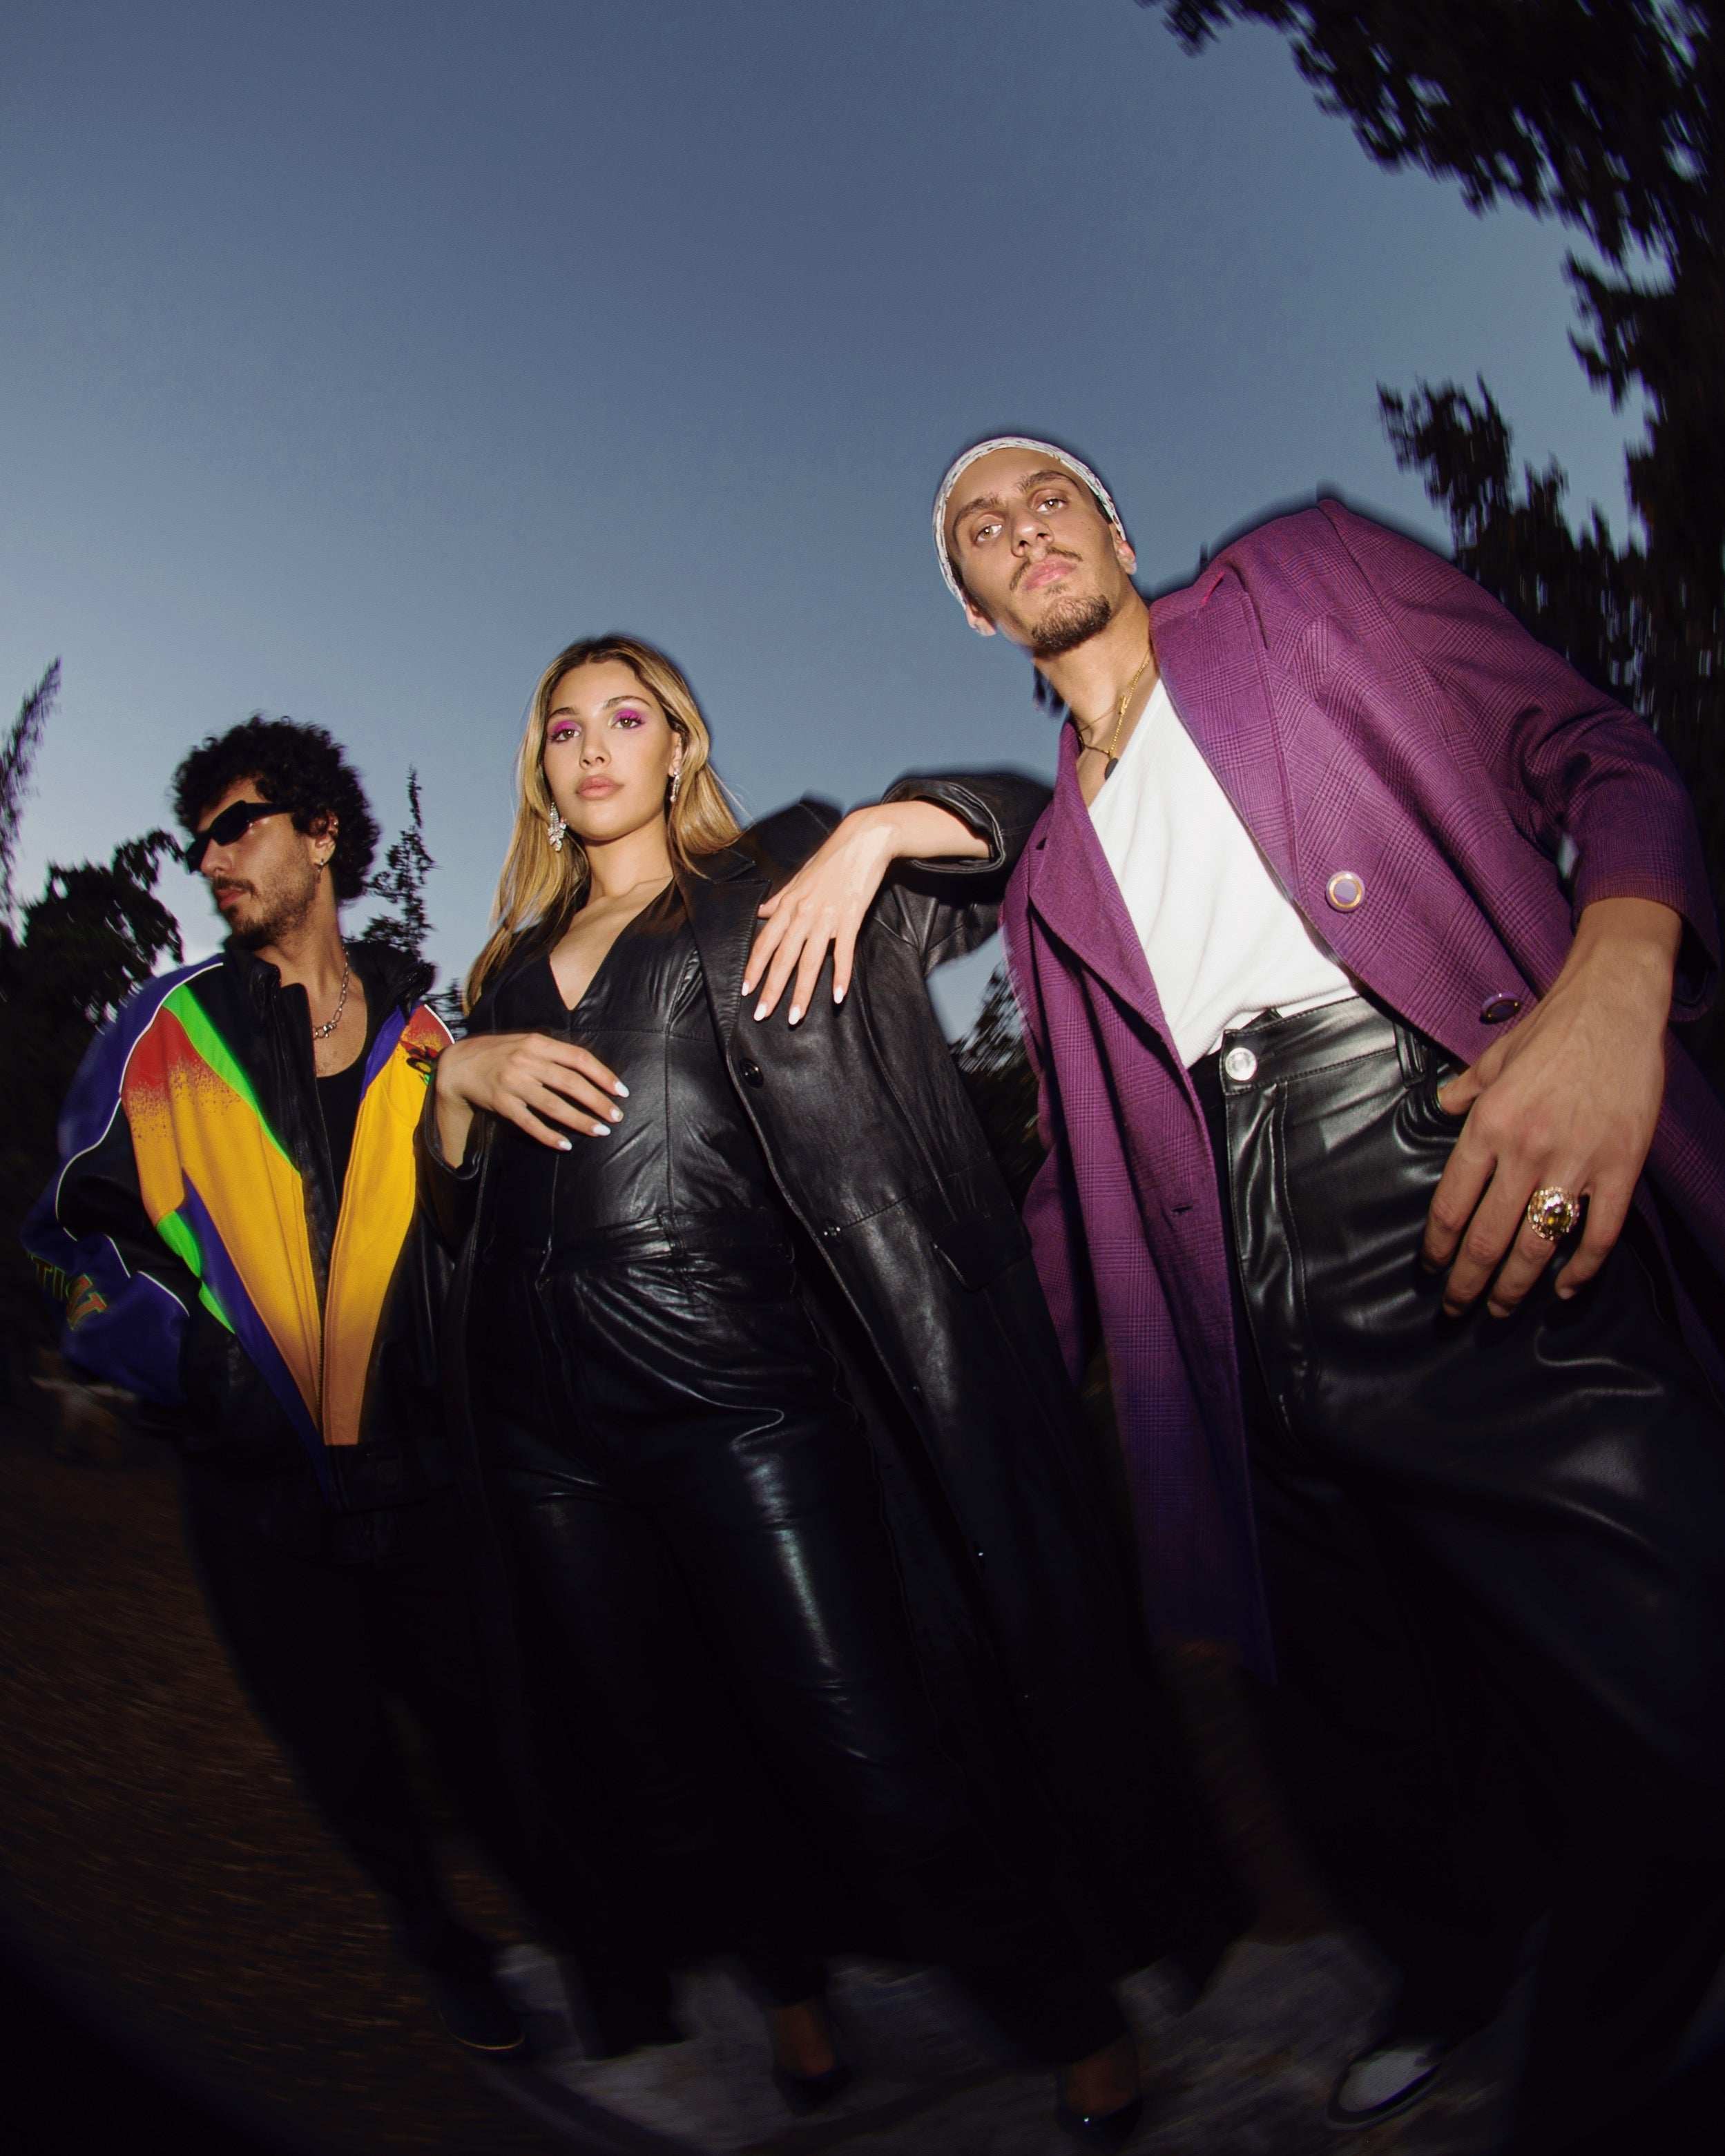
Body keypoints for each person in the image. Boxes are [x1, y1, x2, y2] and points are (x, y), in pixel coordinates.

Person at [925, 435, 1725, 2154]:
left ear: (1114, 528)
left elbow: (1594, 747)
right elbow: (1073, 1168)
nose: (1021, 527)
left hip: (1465, 1159)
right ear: (984, 615)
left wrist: (1617, 975)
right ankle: (1443, 1978)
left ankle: (1601, 2080)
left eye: (1046, 494)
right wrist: (977, 1398)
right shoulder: (1053, 868)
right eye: (980, 531)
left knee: (1675, 1688)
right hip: (1222, 1284)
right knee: (1366, 1719)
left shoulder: (1304, 581)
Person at [420, 633, 1244, 2146]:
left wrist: (878, 827)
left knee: (870, 1739)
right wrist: (453, 1087)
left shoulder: (780, 878)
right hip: (542, 1423)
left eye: (626, 718)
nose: (592, 748)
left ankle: (1064, 2002)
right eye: (561, 730)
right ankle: (790, 1987)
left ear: (680, 743)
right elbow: (457, 1219)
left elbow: (1015, 820)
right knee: (663, 1746)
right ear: (538, 773)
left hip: (735, 1390)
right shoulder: (510, 974)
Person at [24, 717, 543, 2055]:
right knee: (345, 1752)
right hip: (252, 1485)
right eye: (200, 839)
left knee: (487, 1724)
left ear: (321, 833)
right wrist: (202, 1371)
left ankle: (585, 1925)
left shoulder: (432, 1031)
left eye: (239, 824)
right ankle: (441, 1946)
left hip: (422, 1475)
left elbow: (478, 1237)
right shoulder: (168, 1028)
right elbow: (81, 1239)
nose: (213, 860)